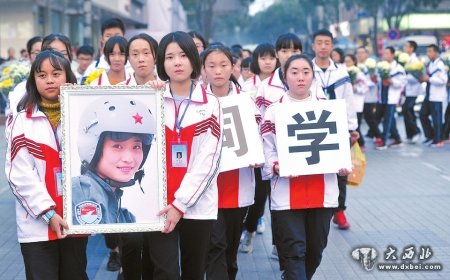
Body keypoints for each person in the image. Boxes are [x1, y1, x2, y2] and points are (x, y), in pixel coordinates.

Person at [261, 54, 351, 280]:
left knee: (315, 251)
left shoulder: (328, 109)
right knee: (294, 251)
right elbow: (266, 148)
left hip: (322, 193)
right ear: (285, 76)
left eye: (305, 72)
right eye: (294, 72)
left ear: (313, 76)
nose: (300, 77)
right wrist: (275, 165)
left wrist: (342, 163)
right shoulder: (274, 111)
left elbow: (339, 144)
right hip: (287, 194)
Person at [145, 31, 223, 279]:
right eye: (169, 57)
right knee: (165, 272)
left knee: (194, 271)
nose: (177, 62)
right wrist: (143, 94)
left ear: (193, 60)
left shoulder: (210, 104)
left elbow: (209, 162)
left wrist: (180, 204)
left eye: (182, 55)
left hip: (197, 206)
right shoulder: (151, 99)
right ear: (162, 63)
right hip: (158, 204)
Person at [5, 49, 88, 280]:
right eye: (41, 75)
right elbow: (19, 175)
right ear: (33, 81)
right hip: (37, 228)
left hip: (76, 221)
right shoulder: (22, 120)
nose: (49, 80)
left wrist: (155, 88)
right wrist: (48, 213)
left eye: (56, 73)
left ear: (68, 77)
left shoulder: (83, 116)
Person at [202, 45, 259, 280]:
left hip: (237, 186)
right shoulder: (196, 102)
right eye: (211, 66)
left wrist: (257, 156)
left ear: (233, 67)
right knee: (215, 244)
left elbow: (258, 136)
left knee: (230, 248)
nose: (218, 71)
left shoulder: (245, 102)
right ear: (203, 69)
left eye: (223, 65)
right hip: (205, 188)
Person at [72, 95, 156, 225]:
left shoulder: (123, 215)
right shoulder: (83, 194)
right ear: (94, 148)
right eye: (117, 146)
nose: (128, 159)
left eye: (136, 147)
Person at [311, 29, 358, 230]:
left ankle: (339, 211)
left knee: (340, 172)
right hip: (312, 128)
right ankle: (317, 208)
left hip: (338, 129)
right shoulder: (306, 70)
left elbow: (349, 100)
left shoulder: (341, 72)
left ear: (332, 46)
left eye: (327, 43)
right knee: (315, 169)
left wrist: (352, 128)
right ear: (313, 46)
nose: (323, 46)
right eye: (319, 42)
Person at [375, 46, 407, 150]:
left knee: (387, 120)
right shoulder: (380, 67)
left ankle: (383, 142)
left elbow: (403, 82)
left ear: (392, 55)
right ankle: (397, 139)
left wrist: (391, 81)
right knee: (390, 120)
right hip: (381, 97)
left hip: (391, 98)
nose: (385, 55)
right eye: (384, 53)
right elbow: (378, 82)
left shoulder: (398, 68)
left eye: (387, 53)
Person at [419, 44, 448, 147]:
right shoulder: (430, 64)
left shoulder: (440, 64)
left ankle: (438, 140)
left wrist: (429, 79)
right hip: (429, 95)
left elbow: (443, 80)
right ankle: (430, 136)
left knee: (437, 118)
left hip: (437, 96)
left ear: (435, 52)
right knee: (422, 115)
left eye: (430, 51)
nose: (428, 54)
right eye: (427, 51)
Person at [8, 36, 43, 117]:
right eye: (37, 53)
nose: (42, 56)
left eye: (45, 51)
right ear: (29, 56)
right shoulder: (20, 87)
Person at [345, 53, 369, 148]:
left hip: (357, 102)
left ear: (354, 62)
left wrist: (356, 88)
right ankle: (359, 143)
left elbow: (365, 88)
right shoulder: (343, 72)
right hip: (348, 103)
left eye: (349, 61)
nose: (347, 63)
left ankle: (361, 143)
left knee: (356, 125)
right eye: (345, 61)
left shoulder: (359, 73)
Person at [355, 46, 379, 140]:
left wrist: (363, 84)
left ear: (366, 54)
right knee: (358, 120)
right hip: (357, 97)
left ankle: (379, 137)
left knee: (370, 119)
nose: (360, 55)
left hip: (369, 97)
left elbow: (375, 81)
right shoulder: (355, 66)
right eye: (358, 53)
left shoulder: (371, 66)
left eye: (362, 52)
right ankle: (360, 141)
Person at [402, 40, 422, 143]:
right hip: (407, 90)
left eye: (406, 46)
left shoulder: (415, 61)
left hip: (413, 90)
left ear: (411, 48)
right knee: (408, 111)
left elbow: (417, 77)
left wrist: (405, 77)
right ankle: (410, 134)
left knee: (406, 109)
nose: (404, 48)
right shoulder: (404, 59)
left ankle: (416, 131)